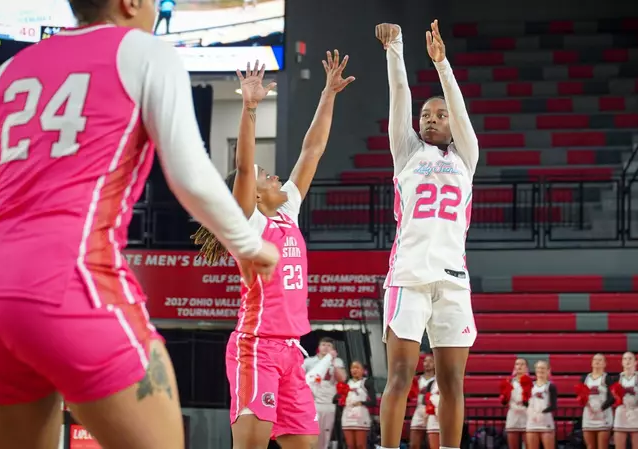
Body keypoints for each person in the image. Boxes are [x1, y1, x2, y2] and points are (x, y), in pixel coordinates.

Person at [0, 0, 280, 448]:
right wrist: (248, 244)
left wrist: (16, 243)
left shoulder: (11, 67)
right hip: (71, 278)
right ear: (131, 3)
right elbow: (189, 173)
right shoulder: (145, 51)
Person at [191, 51, 353, 449]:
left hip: (291, 351)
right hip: (257, 347)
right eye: (267, 175)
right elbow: (245, 168)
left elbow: (312, 150)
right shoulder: (251, 223)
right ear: (253, 195)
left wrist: (328, 94)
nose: (275, 174)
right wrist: (249, 109)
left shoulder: (288, 213)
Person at [374, 19, 480, 449]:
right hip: (409, 278)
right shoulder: (407, 152)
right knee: (399, 376)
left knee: (452, 381)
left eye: (440, 115)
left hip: (453, 281)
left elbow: (460, 110)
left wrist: (442, 65)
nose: (432, 119)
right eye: (426, 115)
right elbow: (399, 96)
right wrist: (395, 48)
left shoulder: (466, 156)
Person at [303, 337, 348, 449]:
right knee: (312, 431)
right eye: (323, 344)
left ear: (333, 349)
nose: (326, 347)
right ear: (319, 347)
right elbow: (300, 378)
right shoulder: (309, 361)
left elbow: (342, 378)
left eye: (329, 345)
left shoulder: (337, 361)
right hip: (312, 401)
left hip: (329, 402)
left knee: (326, 432)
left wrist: (332, 362)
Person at [612, 352, 638, 449]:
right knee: (619, 446)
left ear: (636, 362)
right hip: (621, 411)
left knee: (637, 446)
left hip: (635, 412)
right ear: (621, 362)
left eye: (630, 358)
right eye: (625, 359)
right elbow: (612, 397)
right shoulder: (616, 378)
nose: (627, 361)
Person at [340, 360, 376, 449]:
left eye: (357, 368)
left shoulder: (367, 382)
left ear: (363, 370)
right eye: (352, 368)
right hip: (347, 417)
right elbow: (337, 398)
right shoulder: (346, 383)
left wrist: (361, 402)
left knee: (360, 446)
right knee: (350, 446)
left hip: (360, 416)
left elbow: (373, 402)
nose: (354, 370)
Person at [581, 354, 614, 449]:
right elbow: (581, 396)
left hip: (603, 417)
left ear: (605, 364)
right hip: (589, 416)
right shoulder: (585, 378)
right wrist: (585, 403)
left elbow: (612, 398)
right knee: (590, 446)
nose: (597, 361)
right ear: (591, 363)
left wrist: (600, 408)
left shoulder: (607, 378)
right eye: (595, 359)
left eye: (600, 360)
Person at [525, 361, 558, 449]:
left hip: (546, 422)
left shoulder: (551, 386)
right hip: (532, 422)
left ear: (548, 370)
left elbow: (554, 406)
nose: (540, 370)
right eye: (538, 368)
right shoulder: (530, 385)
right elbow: (525, 403)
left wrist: (541, 413)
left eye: (543, 368)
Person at [501, 358, 530, 449]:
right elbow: (504, 402)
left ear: (526, 367)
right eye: (517, 364)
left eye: (522, 364)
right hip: (513, 417)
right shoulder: (509, 382)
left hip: (527, 417)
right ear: (514, 367)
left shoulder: (531, 383)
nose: (520, 366)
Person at [409, 354, 436, 449]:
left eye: (430, 361)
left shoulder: (438, 379)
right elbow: (410, 395)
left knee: (432, 444)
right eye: (425, 361)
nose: (427, 363)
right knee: (413, 444)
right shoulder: (417, 379)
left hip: (433, 411)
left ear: (435, 364)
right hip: (419, 409)